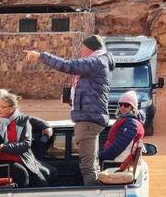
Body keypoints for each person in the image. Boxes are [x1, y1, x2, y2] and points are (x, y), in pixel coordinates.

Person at [25, 35, 113, 187]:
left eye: (83, 49)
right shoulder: (100, 62)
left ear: (90, 49)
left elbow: (69, 66)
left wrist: (41, 56)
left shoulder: (96, 62)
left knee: (88, 166)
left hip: (88, 120)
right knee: (91, 164)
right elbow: (91, 91)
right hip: (90, 117)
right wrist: (74, 100)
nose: (82, 52)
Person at [0, 90, 50, 188]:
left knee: (42, 182)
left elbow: (26, 145)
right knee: (21, 173)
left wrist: (3, 147)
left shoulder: (23, 121)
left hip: (23, 160)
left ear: (13, 108)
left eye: (3, 107)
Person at [100, 90, 145, 166]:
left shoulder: (131, 124)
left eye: (126, 105)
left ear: (133, 107)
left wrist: (99, 156)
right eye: (120, 104)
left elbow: (118, 148)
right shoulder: (128, 121)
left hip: (117, 163)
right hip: (117, 160)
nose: (122, 107)